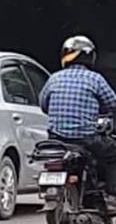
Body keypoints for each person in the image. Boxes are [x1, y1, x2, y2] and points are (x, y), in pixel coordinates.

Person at [40, 34, 116, 202]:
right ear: (90, 57)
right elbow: (112, 104)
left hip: (56, 139)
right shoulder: (95, 79)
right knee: (112, 153)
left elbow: (43, 105)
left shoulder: (54, 78)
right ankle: (112, 196)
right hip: (86, 139)